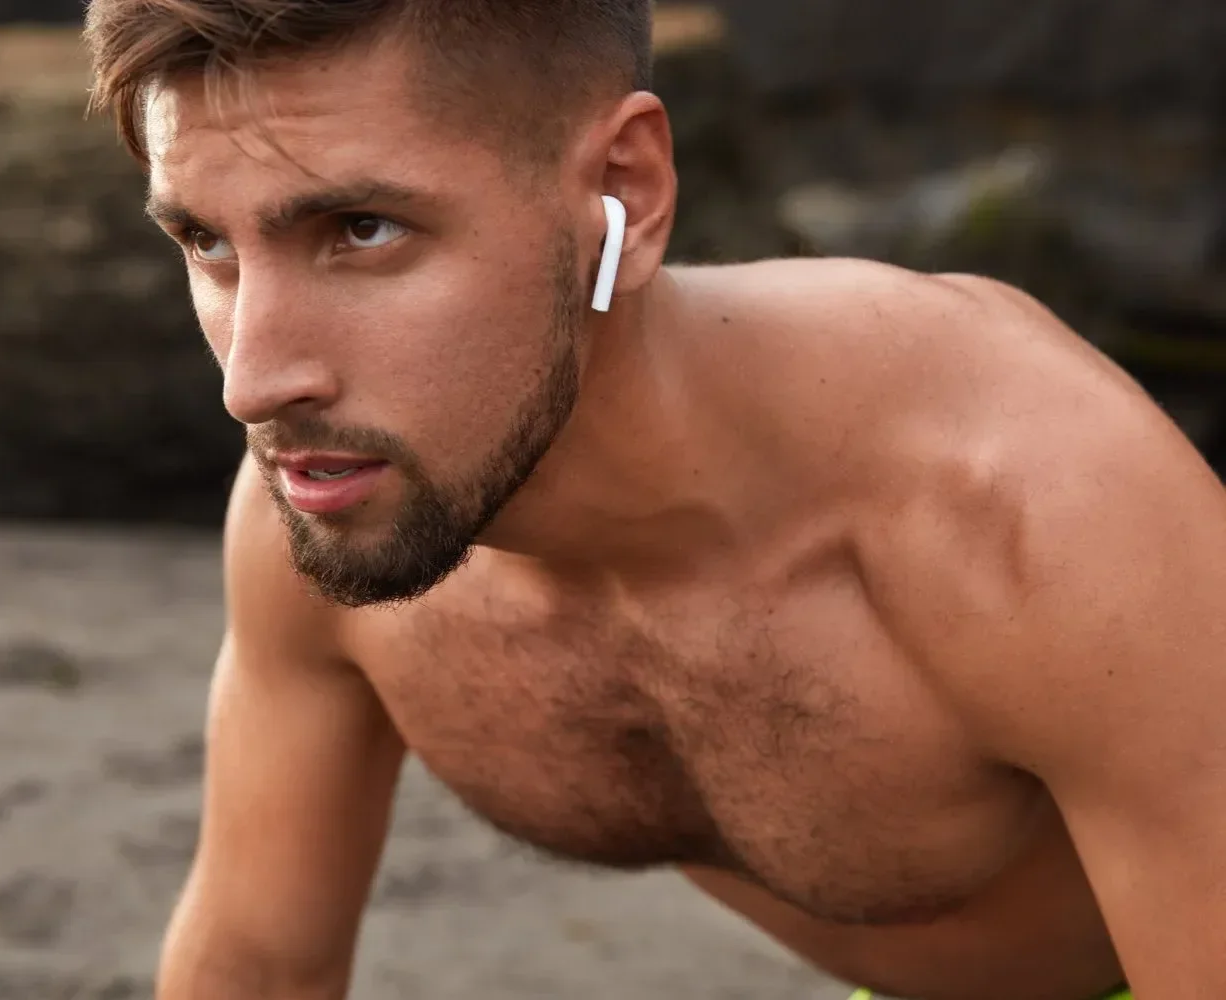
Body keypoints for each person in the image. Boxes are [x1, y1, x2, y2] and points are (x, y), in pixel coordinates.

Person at [82, 2, 1225, 998]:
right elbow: (257, 971)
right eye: (204, 240)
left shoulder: (1036, 508)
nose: (254, 382)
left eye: (361, 229)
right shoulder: (336, 490)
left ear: (622, 188)